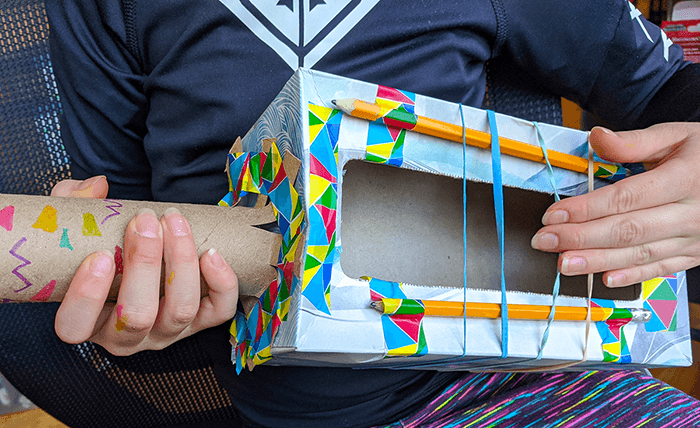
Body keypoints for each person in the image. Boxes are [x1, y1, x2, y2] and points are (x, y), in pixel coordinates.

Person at [27, 0, 700, 426]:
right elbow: (128, 237)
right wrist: (138, 321)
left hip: (531, 385)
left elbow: (667, 86)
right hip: (307, 407)